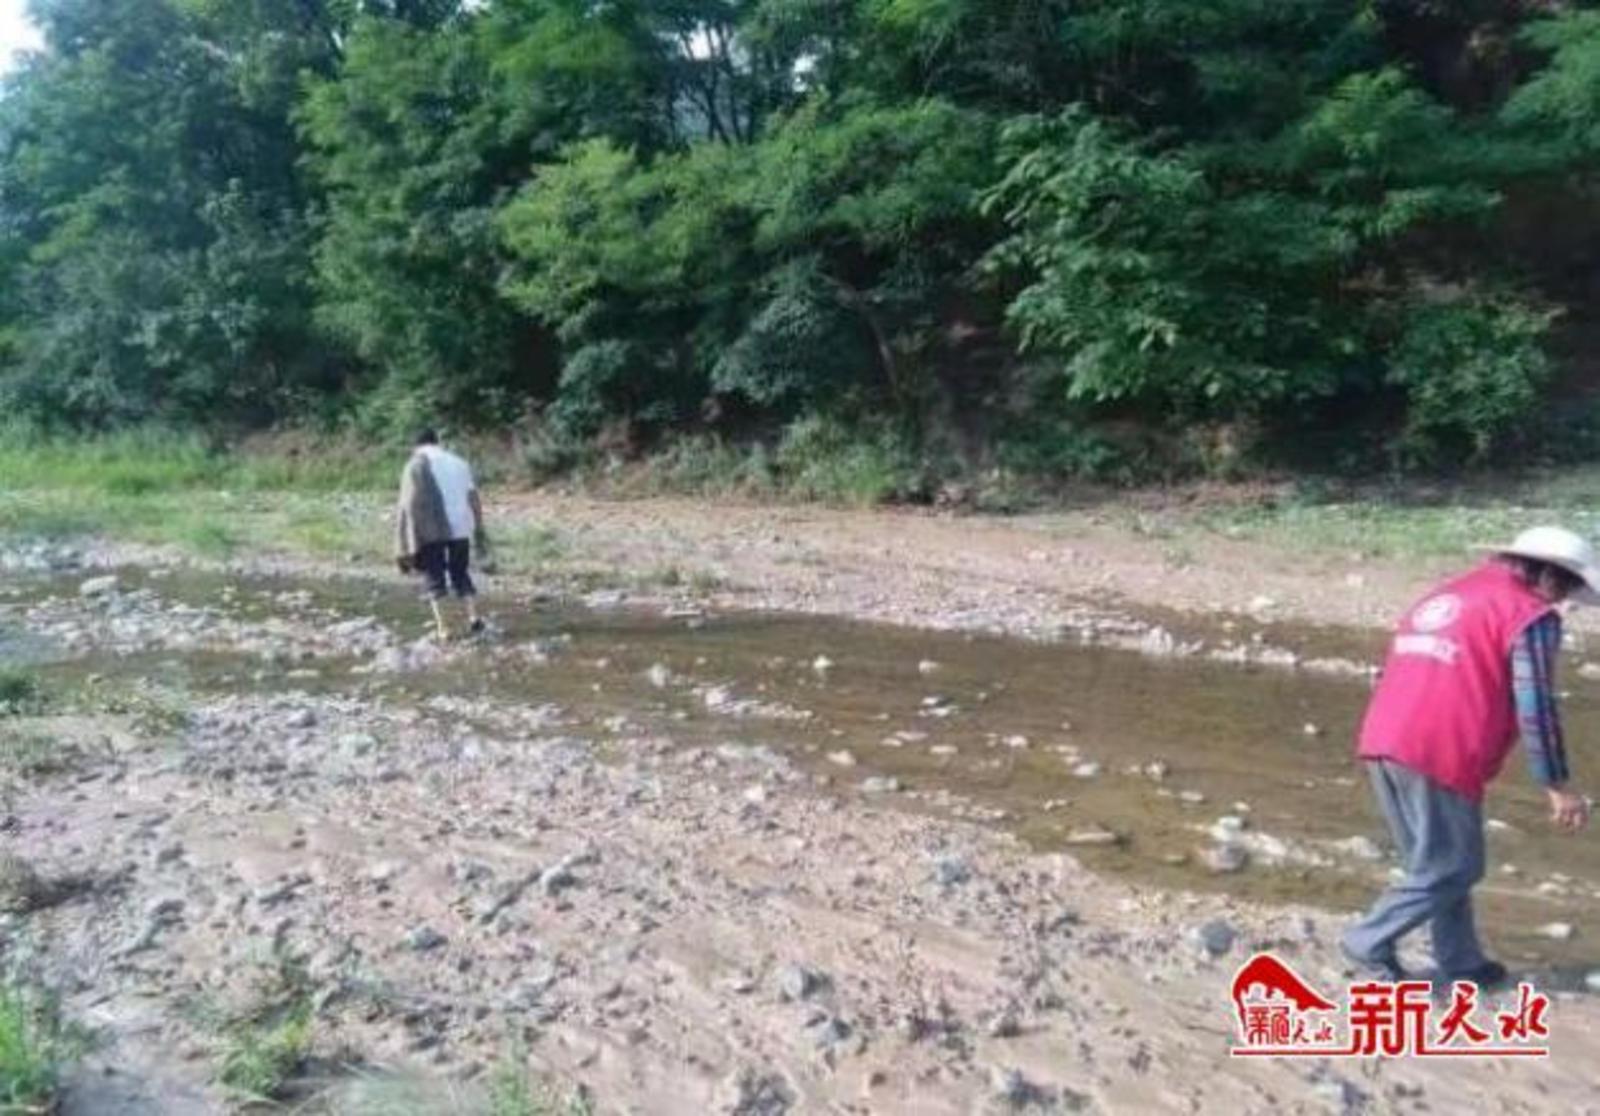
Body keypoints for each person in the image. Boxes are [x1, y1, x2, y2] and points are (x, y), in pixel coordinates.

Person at [1342, 526, 1595, 988]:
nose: (1565, 599)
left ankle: (1461, 961)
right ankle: (1367, 939)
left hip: (1384, 736)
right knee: (1455, 867)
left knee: (1433, 863)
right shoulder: (1529, 614)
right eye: (1568, 586)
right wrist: (1556, 784)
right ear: (1548, 573)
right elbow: (1535, 703)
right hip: (1443, 745)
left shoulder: (1450, 593)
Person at [394, 429, 486, 640]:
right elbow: (473, 497)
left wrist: (407, 535)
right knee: (460, 571)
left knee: (434, 576)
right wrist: (479, 525)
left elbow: (409, 502)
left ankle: (444, 628)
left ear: (416, 446)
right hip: (461, 526)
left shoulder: (414, 466)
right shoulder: (460, 462)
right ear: (438, 442)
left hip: (431, 528)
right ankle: (474, 617)